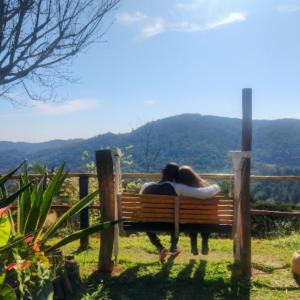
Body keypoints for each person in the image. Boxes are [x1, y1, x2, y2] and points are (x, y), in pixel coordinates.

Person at [175, 165, 221, 255]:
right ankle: (205, 243)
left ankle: (193, 246)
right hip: (207, 221)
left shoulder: (182, 190)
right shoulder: (205, 187)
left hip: (189, 220)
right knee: (205, 218)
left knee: (192, 219)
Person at [140, 162, 180, 263]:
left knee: (146, 219)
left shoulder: (147, 187)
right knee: (177, 218)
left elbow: (141, 207)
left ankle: (160, 247)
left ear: (163, 172)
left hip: (150, 224)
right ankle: (174, 246)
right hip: (169, 224)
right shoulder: (172, 188)